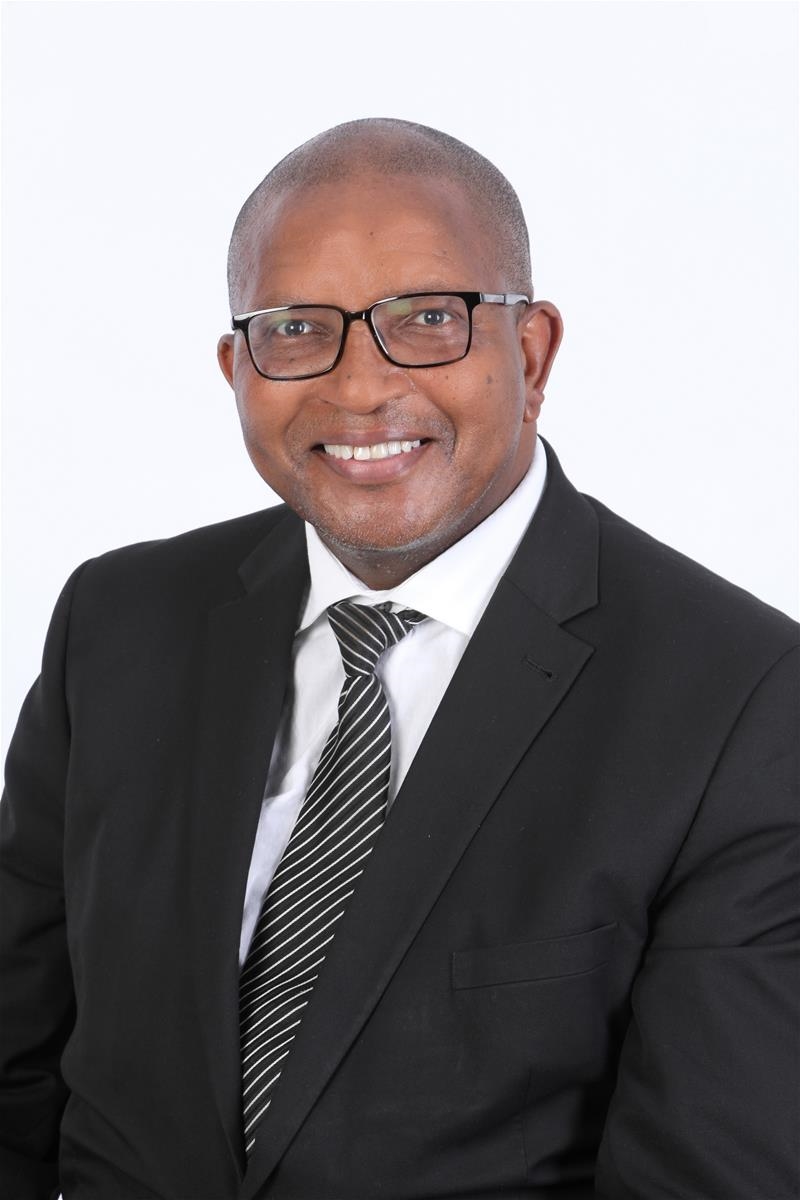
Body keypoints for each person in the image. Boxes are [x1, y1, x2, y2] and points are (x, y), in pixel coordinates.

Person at [0, 118, 797, 1200]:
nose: (361, 388)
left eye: (427, 319)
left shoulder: (741, 702)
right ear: (237, 369)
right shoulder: (117, 623)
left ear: (530, 353)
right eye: (296, 329)